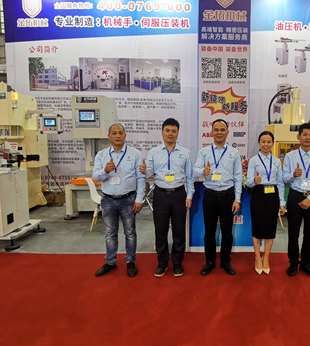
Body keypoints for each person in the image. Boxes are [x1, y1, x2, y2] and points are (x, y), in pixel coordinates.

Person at [140, 118, 194, 278]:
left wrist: (189, 196)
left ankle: (177, 263)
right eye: (168, 130)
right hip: (160, 195)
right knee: (160, 230)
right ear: (162, 132)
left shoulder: (185, 153)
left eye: (174, 131)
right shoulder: (154, 152)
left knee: (179, 231)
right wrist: (144, 170)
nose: (170, 134)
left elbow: (190, 177)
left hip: (179, 195)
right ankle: (162, 263)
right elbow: (149, 174)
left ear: (178, 133)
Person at [92, 123, 145, 278]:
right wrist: (105, 170)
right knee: (110, 233)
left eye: (120, 133)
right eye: (114, 133)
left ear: (125, 135)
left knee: (130, 232)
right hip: (108, 200)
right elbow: (95, 177)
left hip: (128, 200)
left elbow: (141, 178)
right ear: (109, 136)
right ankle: (110, 262)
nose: (117, 136)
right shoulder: (102, 155)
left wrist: (139, 199)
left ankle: (130, 260)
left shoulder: (135, 154)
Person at [193, 119, 242, 276]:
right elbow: (195, 171)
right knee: (209, 232)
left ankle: (225, 261)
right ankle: (210, 261)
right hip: (210, 195)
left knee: (227, 232)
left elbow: (238, 176)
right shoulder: (204, 152)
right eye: (216, 130)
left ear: (227, 132)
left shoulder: (234, 153)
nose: (219, 132)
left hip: (228, 195)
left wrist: (237, 199)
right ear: (211, 132)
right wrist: (203, 172)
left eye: (222, 130)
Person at [282, 122, 310, 278]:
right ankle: (293, 263)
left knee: (309, 233)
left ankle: (306, 264)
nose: (307, 137)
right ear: (298, 136)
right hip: (295, 196)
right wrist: (293, 175)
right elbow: (284, 178)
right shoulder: (290, 156)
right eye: (304, 135)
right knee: (293, 232)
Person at [246, 131, 285, 275]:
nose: (266, 144)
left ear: (273, 143)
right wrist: (254, 180)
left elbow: (280, 183)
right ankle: (257, 257)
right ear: (259, 143)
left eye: (269, 142)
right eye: (263, 141)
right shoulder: (254, 160)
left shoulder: (276, 161)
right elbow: (248, 182)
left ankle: (266, 257)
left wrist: (282, 202)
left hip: (272, 195)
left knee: (270, 228)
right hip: (258, 194)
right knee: (257, 227)